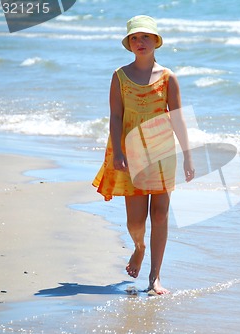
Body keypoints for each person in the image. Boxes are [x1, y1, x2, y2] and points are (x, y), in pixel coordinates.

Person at [92, 15, 195, 295]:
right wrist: (118, 151)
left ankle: (155, 278)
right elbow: (115, 116)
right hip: (130, 152)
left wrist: (187, 155)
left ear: (156, 41)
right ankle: (139, 247)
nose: (140, 42)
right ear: (128, 44)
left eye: (145, 37)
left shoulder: (168, 78)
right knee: (135, 221)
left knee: (159, 216)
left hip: (161, 152)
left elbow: (177, 118)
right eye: (134, 38)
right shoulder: (120, 76)